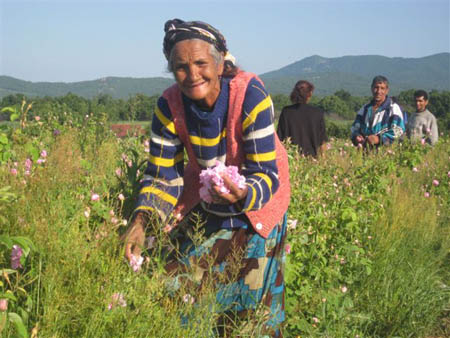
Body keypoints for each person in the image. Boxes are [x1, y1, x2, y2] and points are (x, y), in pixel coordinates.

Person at [122, 19, 290, 337]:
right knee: (176, 291)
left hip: (258, 209)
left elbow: (266, 174)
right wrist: (142, 222)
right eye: (180, 67)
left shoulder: (249, 94)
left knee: (251, 311)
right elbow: (161, 175)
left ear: (221, 61)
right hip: (210, 205)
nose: (192, 74)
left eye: (201, 63)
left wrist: (242, 194)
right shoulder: (169, 106)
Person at [276, 80, 328, 157]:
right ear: (309, 94)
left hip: (291, 158)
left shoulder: (286, 112)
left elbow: (279, 139)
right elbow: (322, 141)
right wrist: (324, 161)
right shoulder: (318, 113)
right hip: (312, 160)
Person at [351, 75, 405, 147]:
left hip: (386, 152)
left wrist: (379, 138)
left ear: (387, 90)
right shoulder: (365, 108)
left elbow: (399, 130)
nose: (378, 91)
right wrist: (357, 136)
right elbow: (355, 127)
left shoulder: (393, 108)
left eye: (382, 88)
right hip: (366, 152)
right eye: (376, 88)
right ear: (371, 88)